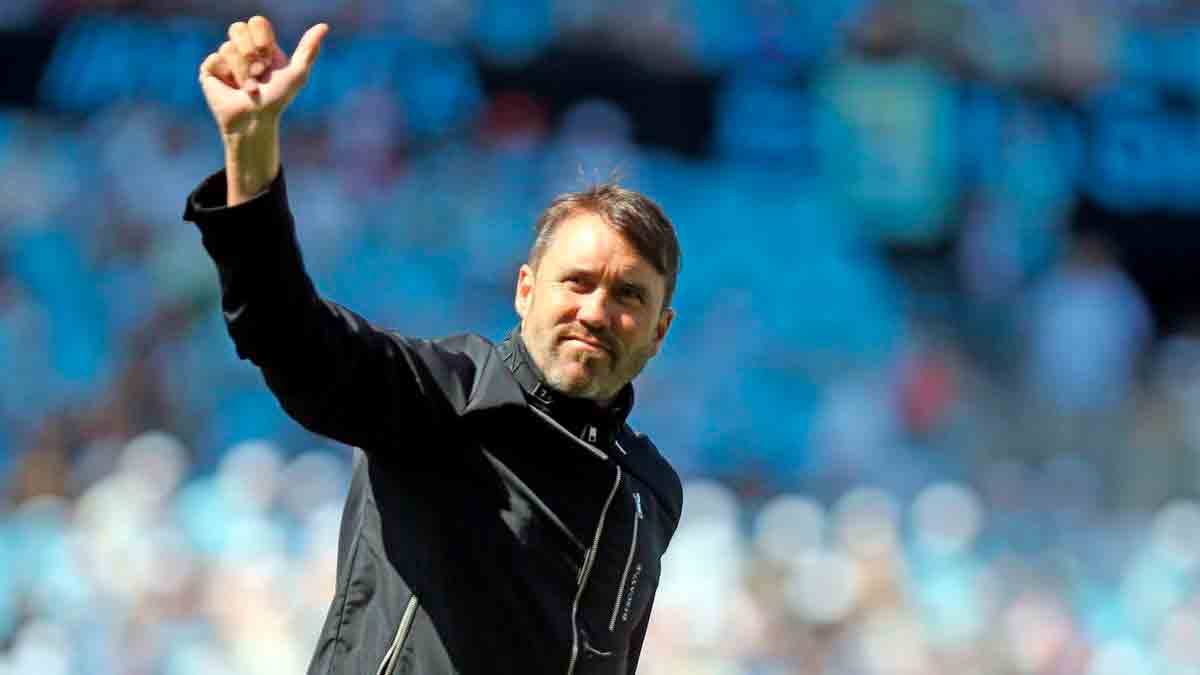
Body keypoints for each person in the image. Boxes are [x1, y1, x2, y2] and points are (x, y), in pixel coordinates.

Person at [183, 16, 683, 675]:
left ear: (658, 329)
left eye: (628, 295)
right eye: (577, 282)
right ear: (525, 290)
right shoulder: (442, 397)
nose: (595, 311)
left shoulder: (650, 490)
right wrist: (250, 152)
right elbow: (286, 332)